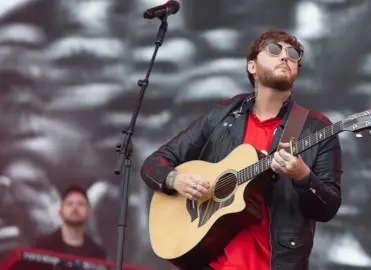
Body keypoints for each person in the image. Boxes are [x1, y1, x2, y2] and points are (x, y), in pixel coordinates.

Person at [141, 29, 343, 270]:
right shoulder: (222, 116)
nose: (285, 57)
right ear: (252, 67)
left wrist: (302, 175)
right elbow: (154, 163)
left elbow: (328, 207)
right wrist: (176, 180)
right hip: (214, 262)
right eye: (274, 50)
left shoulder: (315, 127)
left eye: (293, 54)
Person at [32, 184, 106, 260]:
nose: (75, 208)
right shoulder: (42, 245)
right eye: (69, 204)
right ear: (61, 212)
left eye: (80, 204)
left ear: (89, 212)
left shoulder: (97, 253)